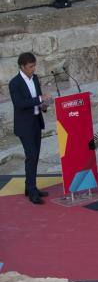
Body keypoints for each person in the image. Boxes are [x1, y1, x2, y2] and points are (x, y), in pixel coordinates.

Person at [9, 52, 52, 205]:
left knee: (35, 156)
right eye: (30, 67)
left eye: (34, 66)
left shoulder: (34, 78)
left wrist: (44, 105)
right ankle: (32, 191)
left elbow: (37, 98)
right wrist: (39, 99)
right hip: (24, 126)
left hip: (36, 121)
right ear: (22, 66)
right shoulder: (15, 83)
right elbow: (19, 103)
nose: (33, 69)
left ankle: (29, 186)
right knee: (31, 155)